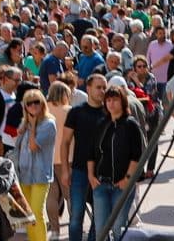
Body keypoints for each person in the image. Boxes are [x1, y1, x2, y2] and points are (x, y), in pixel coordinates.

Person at [87, 87, 144, 240]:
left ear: (122, 101)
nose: (111, 104)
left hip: (122, 185)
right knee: (101, 231)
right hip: (101, 184)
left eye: (115, 100)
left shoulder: (131, 124)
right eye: (109, 100)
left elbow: (137, 155)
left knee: (119, 228)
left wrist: (127, 178)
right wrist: (91, 176)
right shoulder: (101, 124)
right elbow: (91, 153)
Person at [61, 74, 107, 241]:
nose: (102, 91)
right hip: (79, 170)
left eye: (104, 87)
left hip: (103, 172)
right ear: (88, 88)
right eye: (98, 87)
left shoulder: (109, 113)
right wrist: (66, 170)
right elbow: (65, 142)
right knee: (75, 217)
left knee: (100, 217)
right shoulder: (76, 112)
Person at [15, 88, 55, 241]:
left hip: (40, 174)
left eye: (36, 102)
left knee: (37, 212)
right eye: (28, 104)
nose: (33, 106)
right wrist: (22, 130)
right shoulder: (26, 122)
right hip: (25, 173)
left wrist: (31, 128)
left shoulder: (48, 123)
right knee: (28, 213)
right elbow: (17, 146)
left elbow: (33, 146)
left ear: (42, 103)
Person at [45, 82, 72, 239]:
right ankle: (74, 227)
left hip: (47, 159)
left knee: (51, 196)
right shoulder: (69, 111)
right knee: (70, 196)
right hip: (67, 158)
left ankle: (54, 230)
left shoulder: (42, 110)